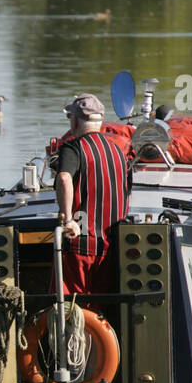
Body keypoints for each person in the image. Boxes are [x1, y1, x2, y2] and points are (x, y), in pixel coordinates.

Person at [54, 94, 130, 295]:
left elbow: (63, 178)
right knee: (102, 310)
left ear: (75, 120)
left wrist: (68, 220)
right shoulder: (118, 151)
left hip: (81, 247)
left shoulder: (73, 148)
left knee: (71, 311)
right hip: (112, 250)